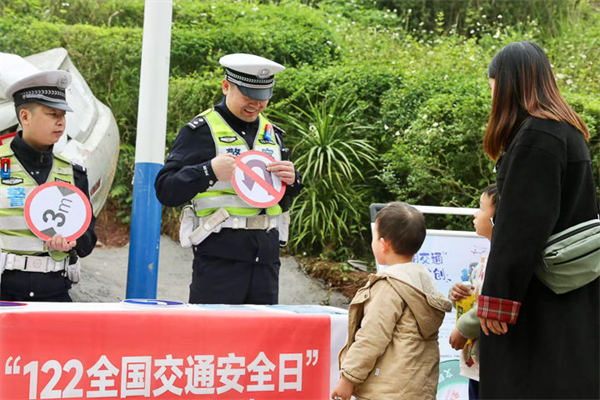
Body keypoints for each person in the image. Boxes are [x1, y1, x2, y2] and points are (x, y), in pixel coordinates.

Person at [477, 41, 600, 399]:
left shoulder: (536, 136)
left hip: (539, 298)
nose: (492, 96)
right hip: (570, 291)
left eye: (494, 86)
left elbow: (520, 227)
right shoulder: (567, 130)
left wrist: (496, 299)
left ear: (509, 83)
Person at [155, 53, 301, 305]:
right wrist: (208, 171)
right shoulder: (201, 131)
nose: (256, 104)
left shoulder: (272, 133)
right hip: (220, 260)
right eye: (248, 96)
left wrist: (293, 180)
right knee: (212, 341)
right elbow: (165, 189)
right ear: (226, 86)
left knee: (261, 342)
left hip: (266, 260)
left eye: (263, 97)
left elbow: (281, 199)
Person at [331, 202, 452, 400]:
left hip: (385, 390)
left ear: (383, 244)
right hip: (417, 389)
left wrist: (348, 378)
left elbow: (372, 336)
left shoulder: (390, 285)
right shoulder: (423, 280)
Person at [0, 70, 97, 302]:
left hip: (54, 295)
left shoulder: (74, 174)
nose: (60, 122)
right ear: (25, 117)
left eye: (62, 114)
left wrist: (73, 241)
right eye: (52, 113)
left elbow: (87, 242)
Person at [448, 184, 498, 400]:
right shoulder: (486, 259)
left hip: (491, 361)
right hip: (475, 363)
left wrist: (463, 329)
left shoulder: (501, 261)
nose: (475, 214)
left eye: (481, 207)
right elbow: (476, 297)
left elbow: (494, 303)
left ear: (498, 217)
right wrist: (457, 293)